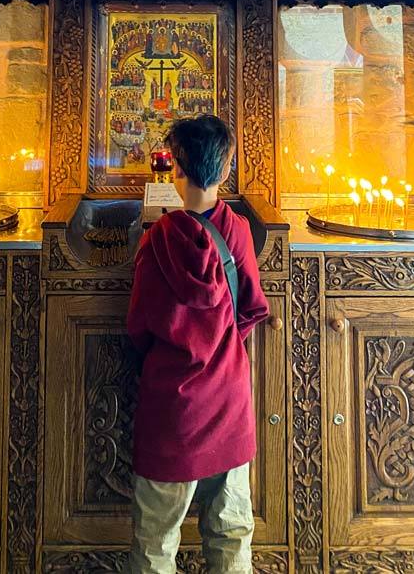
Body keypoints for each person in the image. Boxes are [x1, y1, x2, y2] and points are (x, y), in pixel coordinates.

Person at [127, 114, 270, 573]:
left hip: (171, 407)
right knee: (230, 534)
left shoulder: (157, 239)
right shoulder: (239, 231)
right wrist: (220, 343)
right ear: (225, 170)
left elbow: (140, 325)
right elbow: (251, 307)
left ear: (177, 170)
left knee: (156, 541)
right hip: (228, 401)